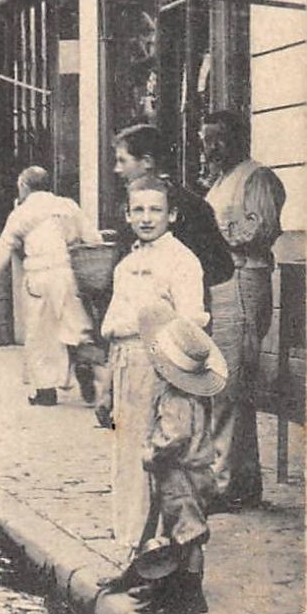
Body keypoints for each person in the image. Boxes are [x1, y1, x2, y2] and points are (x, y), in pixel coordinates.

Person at [98, 176, 207, 559]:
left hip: (160, 366)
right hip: (126, 363)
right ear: (127, 215)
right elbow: (114, 324)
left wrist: (174, 376)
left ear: (172, 214)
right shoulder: (127, 264)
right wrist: (108, 381)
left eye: (156, 210)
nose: (147, 218)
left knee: (158, 457)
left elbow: (191, 320)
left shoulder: (181, 261)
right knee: (127, 457)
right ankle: (133, 550)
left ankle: (160, 554)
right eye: (138, 210)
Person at [102, 299, 225, 614]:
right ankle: (170, 588)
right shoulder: (195, 395)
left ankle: (190, 593)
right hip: (192, 471)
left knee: (188, 533)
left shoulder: (176, 399)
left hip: (181, 473)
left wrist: (151, 451)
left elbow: (174, 436)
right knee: (175, 530)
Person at [200, 110, 287, 510]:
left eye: (217, 139)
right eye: (206, 139)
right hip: (225, 279)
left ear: (238, 138)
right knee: (228, 385)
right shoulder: (221, 180)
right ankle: (242, 480)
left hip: (243, 280)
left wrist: (213, 234)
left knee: (230, 383)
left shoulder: (257, 177)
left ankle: (225, 480)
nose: (210, 147)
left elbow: (259, 230)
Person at [0, 166, 101, 406]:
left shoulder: (22, 213)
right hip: (68, 273)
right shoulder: (68, 206)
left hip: (38, 276)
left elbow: (3, 249)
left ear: (24, 186)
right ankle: (88, 370)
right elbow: (93, 239)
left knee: (40, 333)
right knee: (76, 326)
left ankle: (45, 391)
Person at [111, 124, 233, 292]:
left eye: (122, 161)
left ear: (147, 161)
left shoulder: (190, 206)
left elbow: (221, 266)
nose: (117, 169)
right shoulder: (195, 204)